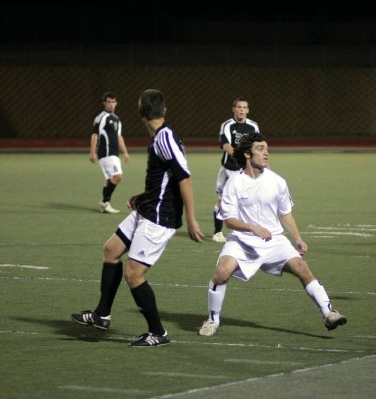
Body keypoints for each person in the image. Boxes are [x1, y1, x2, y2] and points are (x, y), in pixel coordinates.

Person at [71, 88, 205, 347]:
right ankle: (101, 315)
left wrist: (191, 219)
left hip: (159, 217)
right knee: (111, 250)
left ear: (139, 113)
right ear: (164, 110)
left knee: (134, 274)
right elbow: (166, 178)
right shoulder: (160, 137)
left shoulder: (165, 138)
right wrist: (144, 196)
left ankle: (158, 333)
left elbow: (184, 178)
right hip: (148, 208)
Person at [199, 131, 347, 336]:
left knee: (303, 269)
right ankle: (212, 320)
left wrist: (297, 238)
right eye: (260, 149)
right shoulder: (234, 182)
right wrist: (252, 228)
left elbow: (285, 213)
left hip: (274, 240)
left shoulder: (277, 181)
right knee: (222, 273)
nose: (266, 153)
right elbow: (228, 220)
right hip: (242, 241)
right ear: (248, 154)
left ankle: (329, 313)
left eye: (267, 149)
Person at [212, 98, 260, 242]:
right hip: (228, 167)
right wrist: (240, 158)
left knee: (245, 198)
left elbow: (258, 145)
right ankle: (217, 232)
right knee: (221, 200)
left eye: (244, 107)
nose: (241, 110)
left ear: (248, 110)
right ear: (234, 109)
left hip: (244, 169)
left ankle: (245, 231)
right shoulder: (227, 125)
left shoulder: (253, 126)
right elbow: (226, 145)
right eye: (239, 107)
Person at [90, 91, 130, 214]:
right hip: (106, 153)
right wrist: (92, 152)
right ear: (104, 103)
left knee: (109, 179)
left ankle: (105, 204)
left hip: (114, 153)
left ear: (116, 103)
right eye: (108, 102)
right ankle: (105, 202)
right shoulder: (101, 117)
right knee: (118, 176)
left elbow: (119, 136)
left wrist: (125, 152)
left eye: (113, 102)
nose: (111, 104)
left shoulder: (117, 119)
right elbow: (95, 135)